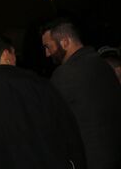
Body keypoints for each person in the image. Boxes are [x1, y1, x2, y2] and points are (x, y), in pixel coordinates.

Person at [0, 35, 86, 169]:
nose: (16, 59)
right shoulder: (35, 85)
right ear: (6, 54)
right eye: (14, 53)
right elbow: (66, 128)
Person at [41, 18, 121, 169]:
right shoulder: (101, 63)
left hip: (91, 160)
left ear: (65, 42)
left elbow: (50, 121)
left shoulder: (65, 74)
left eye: (48, 46)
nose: (46, 53)